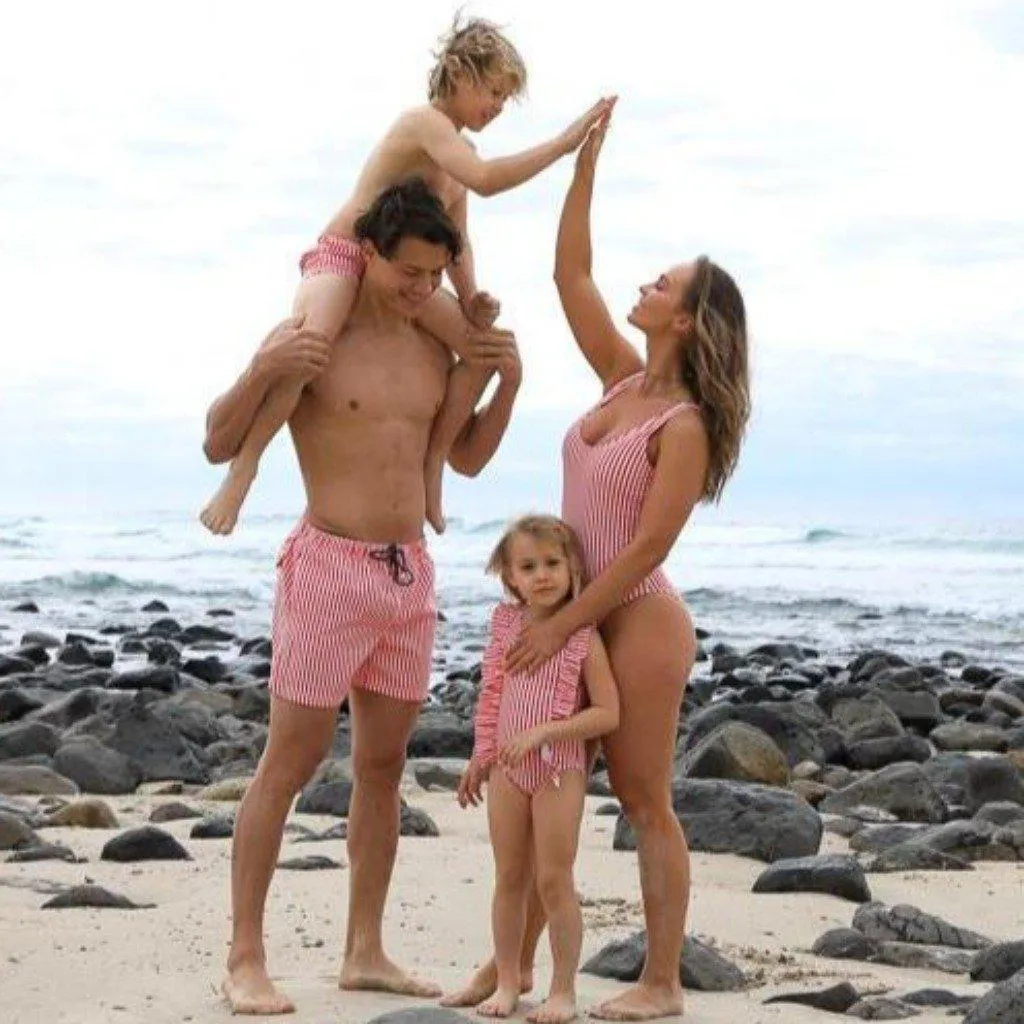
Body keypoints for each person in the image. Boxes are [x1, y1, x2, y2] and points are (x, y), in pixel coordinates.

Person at [446, 107, 751, 1021]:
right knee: (543, 793)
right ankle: (510, 972)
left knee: (643, 798)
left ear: (690, 317)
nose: (645, 283)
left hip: (636, 621)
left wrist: (563, 626)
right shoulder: (623, 380)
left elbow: (650, 547)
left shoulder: (684, 422)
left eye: (665, 282)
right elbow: (567, 272)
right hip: (570, 616)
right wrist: (584, 163)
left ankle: (661, 983)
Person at [201, 178, 523, 1016]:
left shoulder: (434, 351)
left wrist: (508, 383)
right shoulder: (320, 336)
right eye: (406, 273)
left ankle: (364, 950)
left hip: (407, 574)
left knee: (382, 769)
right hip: (327, 570)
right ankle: (244, 956)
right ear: (369, 254)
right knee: (291, 764)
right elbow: (216, 440)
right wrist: (259, 366)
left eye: (433, 278)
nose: (420, 291)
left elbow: (470, 461)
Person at [199, 14, 612, 537]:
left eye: (506, 99)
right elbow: (485, 182)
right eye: (492, 90)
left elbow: (457, 242)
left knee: (483, 347)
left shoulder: (459, 159)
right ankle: (246, 467)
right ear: (458, 74)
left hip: (405, 268)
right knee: (311, 348)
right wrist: (563, 144)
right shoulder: (423, 125)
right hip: (345, 254)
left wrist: (471, 298)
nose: (496, 106)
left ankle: (432, 464)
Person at [457, 515, 619, 1023]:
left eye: (553, 563)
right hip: (508, 770)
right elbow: (493, 695)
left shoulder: (581, 637)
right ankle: (508, 982)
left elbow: (608, 713)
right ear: (510, 578)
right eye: (528, 567)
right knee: (509, 877)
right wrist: (481, 755)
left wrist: (549, 731)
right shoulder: (505, 626)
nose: (542, 575)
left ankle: (563, 990)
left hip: (557, 771)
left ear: (572, 568)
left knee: (553, 879)